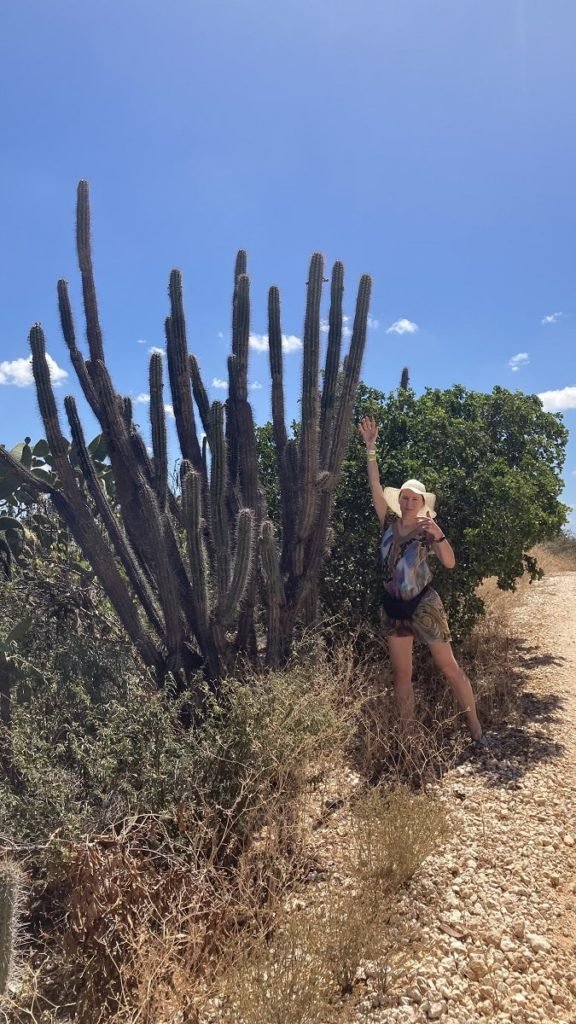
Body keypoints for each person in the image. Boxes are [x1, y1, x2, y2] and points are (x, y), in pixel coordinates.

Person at [359, 415, 487, 746]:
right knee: (402, 675)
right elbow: (374, 486)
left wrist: (440, 536)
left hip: (424, 604)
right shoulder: (387, 523)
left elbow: (450, 562)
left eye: (414, 498)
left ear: (421, 503)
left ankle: (475, 726)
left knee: (449, 667)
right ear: (398, 500)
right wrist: (370, 448)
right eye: (404, 497)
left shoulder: (428, 530)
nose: (407, 502)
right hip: (394, 607)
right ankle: (408, 737)